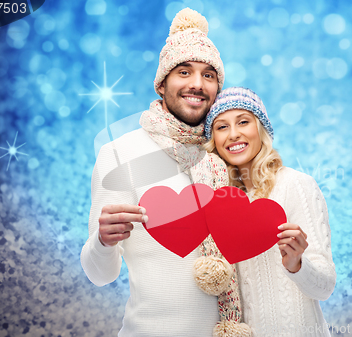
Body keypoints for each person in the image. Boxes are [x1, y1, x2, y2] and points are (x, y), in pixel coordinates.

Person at [80, 9, 250, 337]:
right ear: (162, 83)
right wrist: (102, 241)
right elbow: (99, 275)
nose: (197, 84)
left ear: (217, 88)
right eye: (184, 71)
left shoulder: (226, 156)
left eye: (209, 75)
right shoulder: (119, 154)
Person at [204, 87, 337, 337]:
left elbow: (326, 287)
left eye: (243, 122)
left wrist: (297, 264)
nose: (233, 134)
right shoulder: (220, 202)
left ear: (261, 129)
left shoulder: (295, 184)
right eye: (221, 127)